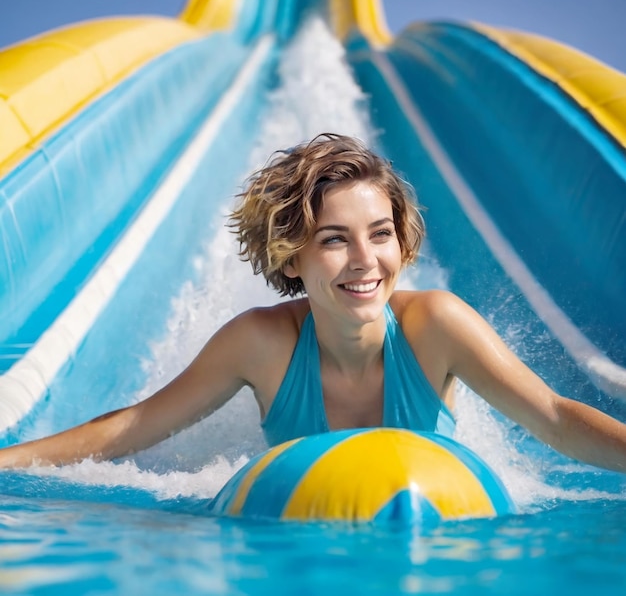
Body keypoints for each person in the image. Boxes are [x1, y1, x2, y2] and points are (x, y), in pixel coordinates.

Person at [1, 133, 625, 472]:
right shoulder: (260, 343)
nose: (364, 260)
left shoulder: (437, 326)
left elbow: (555, 417)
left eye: (380, 233)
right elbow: (133, 429)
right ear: (290, 256)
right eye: (333, 240)